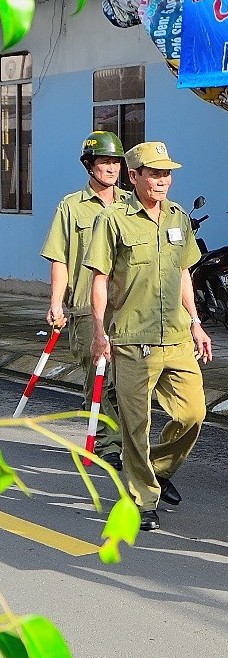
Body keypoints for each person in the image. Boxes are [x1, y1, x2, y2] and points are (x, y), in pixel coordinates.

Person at [84, 142, 212, 532]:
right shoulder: (114, 219)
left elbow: (184, 273)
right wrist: (99, 332)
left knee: (193, 413)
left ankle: (156, 468)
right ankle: (142, 498)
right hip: (132, 338)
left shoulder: (179, 217)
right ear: (133, 175)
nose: (162, 181)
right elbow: (100, 278)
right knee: (134, 424)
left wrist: (195, 322)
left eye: (166, 174)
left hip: (176, 336)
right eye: (154, 174)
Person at [40, 131, 127, 470]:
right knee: (99, 376)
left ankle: (124, 439)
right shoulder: (71, 206)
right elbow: (59, 259)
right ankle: (107, 443)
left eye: (116, 161)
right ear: (89, 165)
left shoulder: (130, 205)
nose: (111, 168)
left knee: (128, 378)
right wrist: (56, 303)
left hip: (125, 305)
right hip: (86, 308)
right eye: (105, 161)